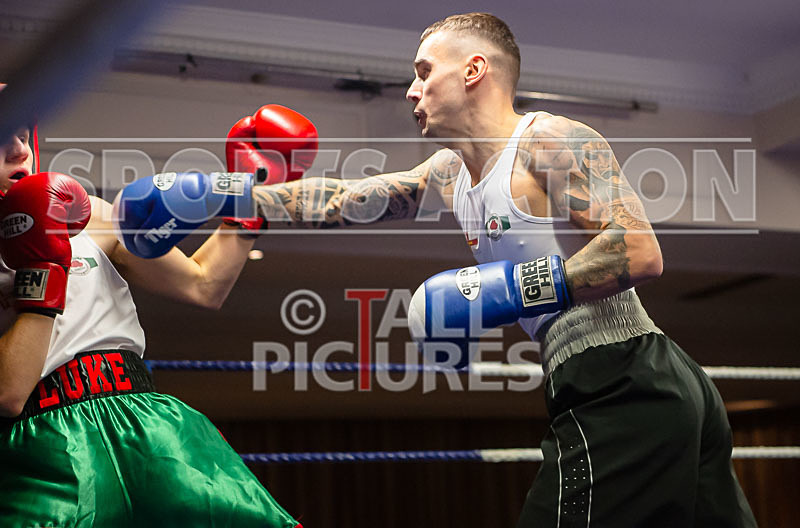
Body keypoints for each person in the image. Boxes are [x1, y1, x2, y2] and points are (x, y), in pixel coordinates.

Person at [228, 13, 757, 527]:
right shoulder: (449, 173)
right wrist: (227, 196)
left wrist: (509, 291)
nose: (411, 91)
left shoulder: (546, 139)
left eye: (423, 71)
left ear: (473, 70)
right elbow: (348, 199)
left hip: (623, 376)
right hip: (619, 381)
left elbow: (638, 250)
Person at [0, 95, 316, 527]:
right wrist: (42, 268)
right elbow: (9, 393)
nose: (19, 150)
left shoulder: (89, 216)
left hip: (145, 422)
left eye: (22, 134)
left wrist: (252, 195)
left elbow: (204, 285)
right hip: (43, 443)